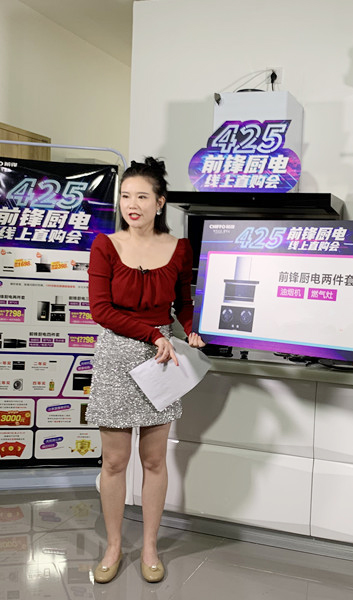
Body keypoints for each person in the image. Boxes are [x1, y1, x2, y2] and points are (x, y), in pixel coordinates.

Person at [87, 157, 205, 584]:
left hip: (161, 360)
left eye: (141, 196)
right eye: (125, 196)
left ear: (160, 202)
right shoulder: (105, 245)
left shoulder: (179, 248)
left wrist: (190, 330)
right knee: (115, 461)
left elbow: (183, 302)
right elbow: (101, 310)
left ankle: (151, 546)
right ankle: (114, 546)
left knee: (154, 459)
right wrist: (153, 334)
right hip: (118, 356)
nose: (132, 205)